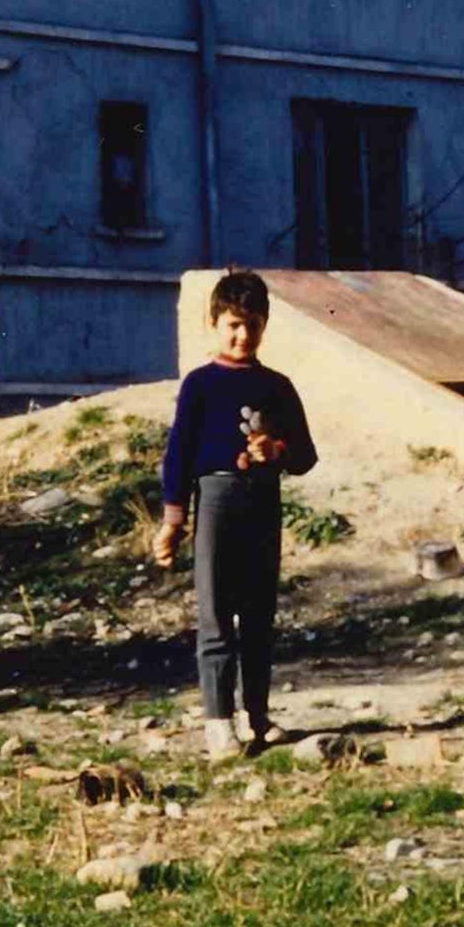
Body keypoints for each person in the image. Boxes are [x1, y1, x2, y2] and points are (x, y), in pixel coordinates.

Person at [153, 271, 318, 760]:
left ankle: (258, 717)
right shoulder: (200, 385)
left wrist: (277, 450)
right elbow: (179, 454)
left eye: (253, 325)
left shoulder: (278, 387)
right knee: (217, 614)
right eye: (233, 324)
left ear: (265, 326)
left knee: (260, 616)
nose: (243, 335)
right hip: (217, 501)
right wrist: (174, 520)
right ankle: (218, 722)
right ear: (215, 323)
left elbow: (306, 455)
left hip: (262, 503)